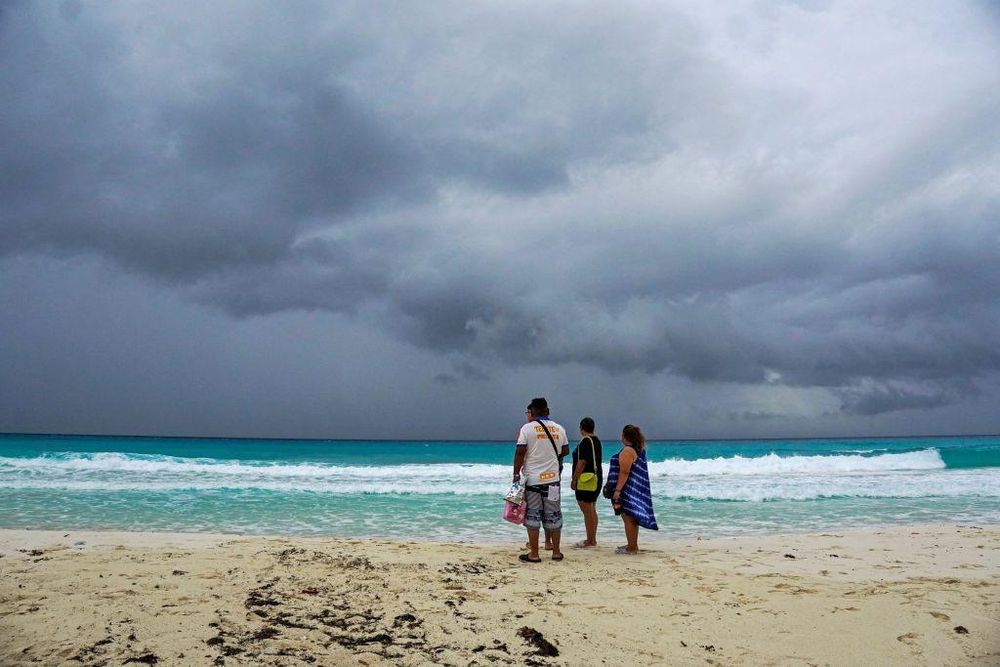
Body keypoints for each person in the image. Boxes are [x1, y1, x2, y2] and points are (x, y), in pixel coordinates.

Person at [512, 397, 570, 562]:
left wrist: (516, 475)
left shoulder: (527, 429)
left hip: (533, 481)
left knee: (533, 516)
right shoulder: (559, 429)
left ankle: (535, 554)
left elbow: (520, 452)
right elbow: (565, 450)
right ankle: (556, 552)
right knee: (554, 514)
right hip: (553, 480)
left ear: (532, 412)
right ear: (547, 411)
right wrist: (550, 456)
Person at [607, 424, 658, 554]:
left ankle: (632, 548)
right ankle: (632, 544)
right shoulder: (639, 450)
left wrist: (617, 491)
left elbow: (624, 472)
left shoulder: (628, 451)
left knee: (628, 517)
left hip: (626, 489)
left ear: (624, 436)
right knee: (631, 518)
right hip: (633, 488)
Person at [570, 417, 602, 548]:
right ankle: (592, 539)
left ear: (581, 428)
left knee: (587, 510)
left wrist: (574, 479)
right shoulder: (596, 441)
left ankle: (590, 541)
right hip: (596, 478)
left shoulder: (585, 442)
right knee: (592, 509)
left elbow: (582, 462)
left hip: (586, 480)